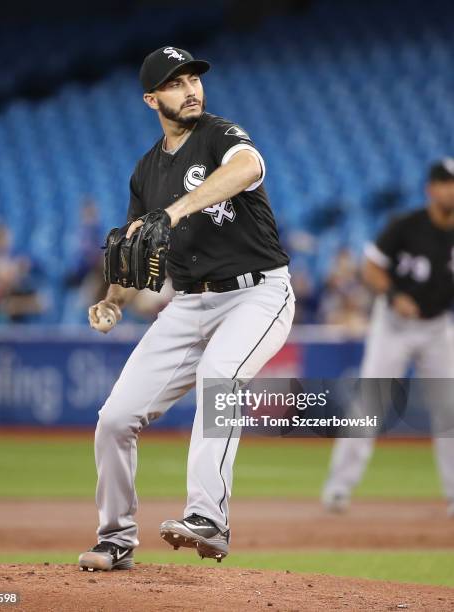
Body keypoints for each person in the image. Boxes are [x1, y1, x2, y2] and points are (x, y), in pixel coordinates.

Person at [79, 46, 295, 571]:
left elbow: (248, 166)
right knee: (114, 420)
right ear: (152, 98)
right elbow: (136, 247)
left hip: (257, 293)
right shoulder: (147, 170)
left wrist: (174, 212)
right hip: (188, 302)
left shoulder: (220, 136)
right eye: (175, 83)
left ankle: (208, 517)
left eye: (193, 77)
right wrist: (112, 299)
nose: (191, 88)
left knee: (220, 376)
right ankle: (115, 538)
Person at [322, 159, 454, 516]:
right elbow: (372, 268)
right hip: (394, 324)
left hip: (437, 326)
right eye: (445, 182)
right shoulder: (406, 226)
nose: (450, 189)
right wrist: (395, 295)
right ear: (431, 188)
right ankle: (338, 488)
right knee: (370, 403)